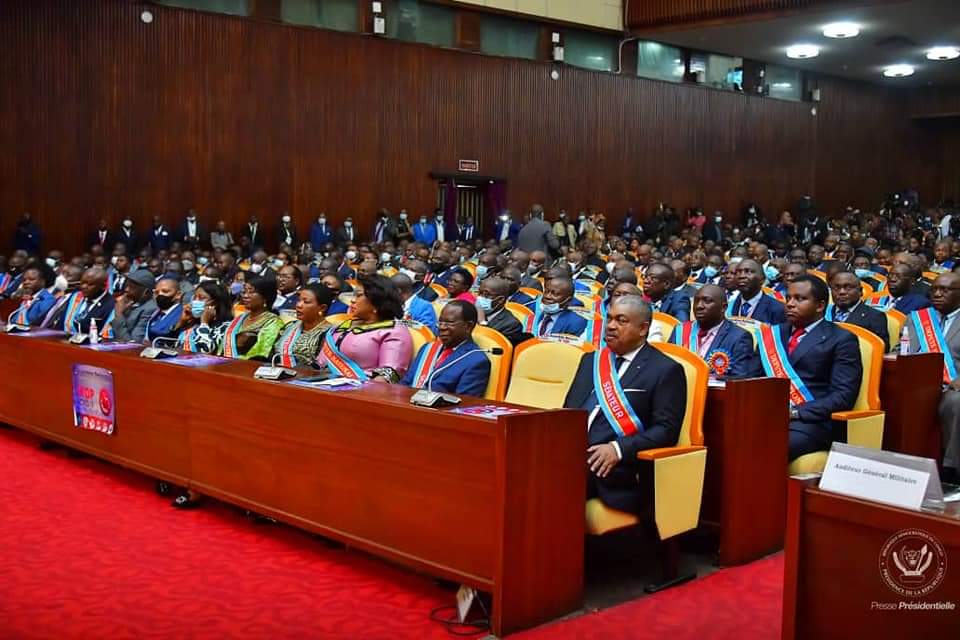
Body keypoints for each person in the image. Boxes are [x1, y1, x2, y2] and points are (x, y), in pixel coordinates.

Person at [564, 296, 686, 514]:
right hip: (571, 451)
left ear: (643, 328)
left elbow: (666, 431)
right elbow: (569, 411)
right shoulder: (591, 360)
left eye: (621, 321)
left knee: (554, 480)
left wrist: (618, 449)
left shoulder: (665, 370)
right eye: (609, 318)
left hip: (615, 465)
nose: (610, 326)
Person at [757, 276, 862, 461]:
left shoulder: (842, 339)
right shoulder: (772, 335)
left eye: (799, 299)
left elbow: (843, 396)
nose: (790, 304)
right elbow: (753, 377)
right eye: (788, 298)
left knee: (765, 444)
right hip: (766, 414)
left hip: (811, 422)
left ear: (820, 306)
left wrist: (795, 412)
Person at [904, 272, 960, 482]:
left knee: (956, 401)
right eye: (934, 289)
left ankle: (950, 472)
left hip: (952, 387)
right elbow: (900, 348)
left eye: (945, 290)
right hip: (917, 385)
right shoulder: (917, 318)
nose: (937, 294)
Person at [315, 275, 412, 382]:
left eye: (359, 295)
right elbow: (320, 364)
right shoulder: (342, 326)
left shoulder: (394, 331)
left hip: (363, 391)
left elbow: (389, 374)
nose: (352, 301)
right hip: (324, 385)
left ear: (376, 301)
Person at [401, 300, 491, 396]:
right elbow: (405, 384)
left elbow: (463, 405)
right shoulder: (427, 348)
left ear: (468, 326)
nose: (442, 327)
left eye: (449, 323)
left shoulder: (476, 361)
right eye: (440, 322)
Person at [671, 284, 761, 379]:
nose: (699, 306)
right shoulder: (680, 330)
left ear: (723, 307)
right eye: (696, 301)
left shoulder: (739, 337)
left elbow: (740, 379)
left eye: (707, 301)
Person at [272, 283, 336, 367]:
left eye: (306, 302)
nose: (298, 305)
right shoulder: (290, 326)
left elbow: (323, 367)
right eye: (299, 300)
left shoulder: (330, 333)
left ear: (322, 308)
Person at [220, 276, 283, 360]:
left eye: (251, 292)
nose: (245, 296)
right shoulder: (240, 318)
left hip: (248, 367)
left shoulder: (273, 322)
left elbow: (260, 353)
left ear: (265, 297)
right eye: (245, 291)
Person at [827, 270, 889, 346]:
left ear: (860, 291)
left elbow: (881, 348)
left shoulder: (875, 317)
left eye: (848, 288)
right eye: (836, 288)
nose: (841, 292)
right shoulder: (822, 313)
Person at [176, 280, 233, 353]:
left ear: (215, 303)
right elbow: (168, 345)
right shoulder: (192, 322)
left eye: (201, 298)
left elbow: (205, 350)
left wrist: (204, 323)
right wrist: (181, 322)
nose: (195, 301)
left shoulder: (225, 327)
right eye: (194, 297)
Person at [728, 259, 786, 324]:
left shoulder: (778, 309)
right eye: (738, 272)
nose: (742, 276)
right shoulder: (728, 306)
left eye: (748, 271)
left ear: (762, 279)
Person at [476, 275, 526, 346]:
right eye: (479, 293)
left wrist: (482, 322)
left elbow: (492, 349)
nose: (480, 298)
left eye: (486, 294)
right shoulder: (471, 313)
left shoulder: (512, 325)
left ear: (500, 300)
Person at [111, 269, 159, 343]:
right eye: (126, 286)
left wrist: (119, 315)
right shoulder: (130, 303)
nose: (126, 289)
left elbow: (133, 343)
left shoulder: (150, 309)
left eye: (131, 287)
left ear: (146, 292)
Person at [71, 267, 116, 336]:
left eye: (90, 284)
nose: (84, 286)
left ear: (103, 286)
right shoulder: (76, 297)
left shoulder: (111, 305)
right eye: (82, 283)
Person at [144, 277, 184, 343]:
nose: (160, 294)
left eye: (165, 291)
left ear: (178, 295)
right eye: (157, 292)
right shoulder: (155, 314)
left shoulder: (182, 313)